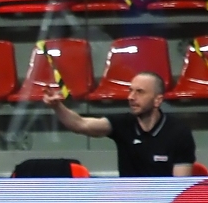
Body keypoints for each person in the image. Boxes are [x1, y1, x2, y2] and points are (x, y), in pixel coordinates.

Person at [42, 73, 196, 177]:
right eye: (130, 91)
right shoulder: (124, 123)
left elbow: (179, 188)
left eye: (140, 92)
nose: (131, 97)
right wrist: (57, 106)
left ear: (158, 100)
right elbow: (80, 124)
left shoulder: (179, 132)